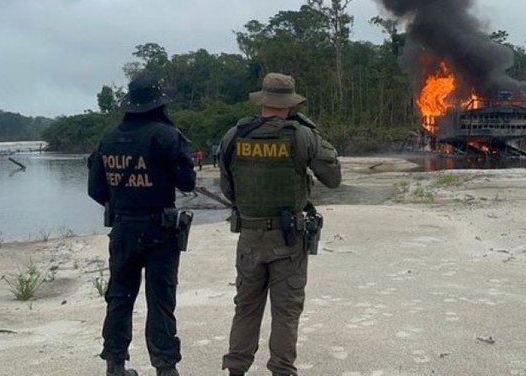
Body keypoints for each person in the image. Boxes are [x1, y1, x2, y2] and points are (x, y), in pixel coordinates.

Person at [219, 72, 342, 376]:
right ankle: (282, 371)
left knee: (246, 308)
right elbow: (333, 178)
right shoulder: (301, 135)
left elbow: (227, 188)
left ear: (263, 101)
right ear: (289, 103)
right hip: (288, 240)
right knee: (286, 313)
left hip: (248, 237)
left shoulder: (234, 135)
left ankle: (236, 369)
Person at [88, 73, 196, 376]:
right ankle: (165, 368)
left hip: (122, 229)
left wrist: (124, 202)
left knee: (119, 297)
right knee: (160, 300)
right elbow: (187, 182)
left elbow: (95, 190)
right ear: (159, 104)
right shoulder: (165, 136)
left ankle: (115, 364)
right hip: (160, 230)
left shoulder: (108, 139)